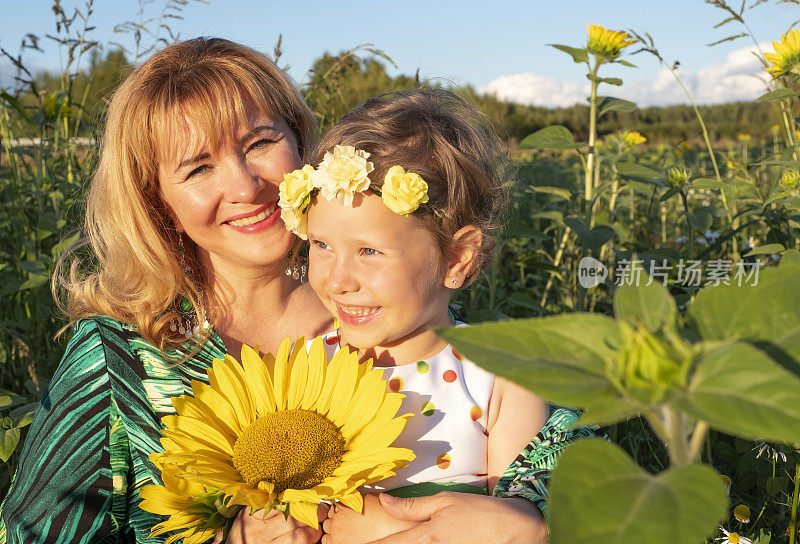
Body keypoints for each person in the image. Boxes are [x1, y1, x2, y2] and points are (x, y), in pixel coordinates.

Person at [0, 37, 333, 544]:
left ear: (301, 146)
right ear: (158, 204)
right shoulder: (118, 358)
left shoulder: (376, 315)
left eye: (261, 143)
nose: (246, 187)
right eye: (199, 168)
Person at [274, 89, 604, 544]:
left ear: (456, 258)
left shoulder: (499, 382)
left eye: (370, 251)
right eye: (322, 245)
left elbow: (510, 522)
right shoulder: (307, 367)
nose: (337, 280)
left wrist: (378, 523)